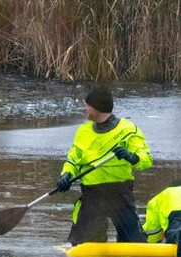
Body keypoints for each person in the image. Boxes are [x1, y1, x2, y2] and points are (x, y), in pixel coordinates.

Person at [56, 86, 153, 246]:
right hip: (92, 196)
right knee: (80, 243)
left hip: (120, 195)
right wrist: (66, 175)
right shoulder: (83, 131)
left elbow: (146, 159)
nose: (84, 109)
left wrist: (131, 157)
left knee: (135, 243)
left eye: (87, 105)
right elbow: (73, 159)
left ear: (96, 107)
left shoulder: (128, 130)